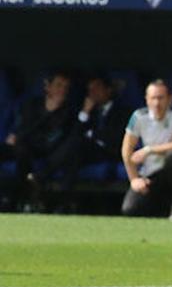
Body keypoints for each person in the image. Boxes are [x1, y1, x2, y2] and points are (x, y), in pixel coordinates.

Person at [29, 73, 130, 213]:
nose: (92, 93)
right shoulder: (89, 112)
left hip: (109, 152)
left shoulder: (123, 111)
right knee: (75, 153)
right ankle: (64, 201)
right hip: (85, 152)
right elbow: (75, 133)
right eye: (90, 90)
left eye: (97, 88)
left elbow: (116, 137)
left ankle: (43, 176)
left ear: (108, 90)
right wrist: (85, 112)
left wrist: (92, 134)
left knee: (77, 146)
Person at [120, 79, 172, 219]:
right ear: (147, 99)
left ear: (169, 99)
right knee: (130, 209)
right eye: (153, 98)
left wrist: (148, 150)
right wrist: (134, 179)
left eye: (161, 98)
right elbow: (126, 149)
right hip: (150, 173)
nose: (157, 103)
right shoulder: (139, 116)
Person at [10, 71, 75, 212]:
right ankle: (21, 197)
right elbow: (24, 132)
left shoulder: (69, 111)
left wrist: (54, 112)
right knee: (20, 148)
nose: (62, 90)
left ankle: (37, 188)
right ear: (47, 86)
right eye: (58, 85)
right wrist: (48, 113)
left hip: (53, 151)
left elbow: (62, 136)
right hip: (30, 148)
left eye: (65, 87)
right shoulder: (32, 105)